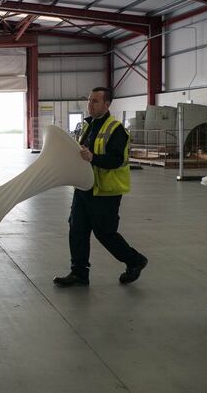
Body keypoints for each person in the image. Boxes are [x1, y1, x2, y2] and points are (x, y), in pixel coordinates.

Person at [54, 87, 147, 287]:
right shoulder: (88, 126)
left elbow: (116, 159)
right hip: (84, 189)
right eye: (89, 100)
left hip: (106, 192)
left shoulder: (116, 129)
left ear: (107, 104)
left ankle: (135, 260)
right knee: (77, 229)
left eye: (95, 101)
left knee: (105, 234)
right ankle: (79, 273)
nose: (90, 104)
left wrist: (93, 158)